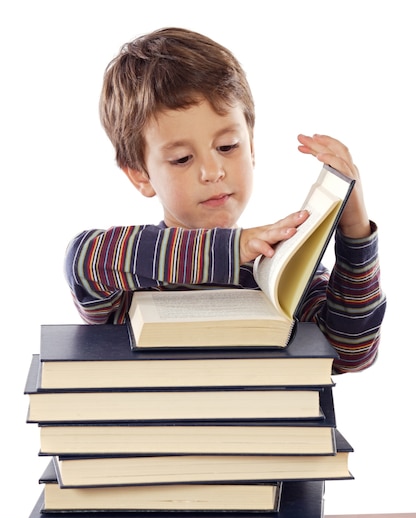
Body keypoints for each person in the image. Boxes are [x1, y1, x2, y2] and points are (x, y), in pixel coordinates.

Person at [64, 27, 386, 374]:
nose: (212, 171)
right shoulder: (129, 270)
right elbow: (85, 258)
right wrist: (235, 248)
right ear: (140, 175)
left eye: (228, 147)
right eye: (182, 159)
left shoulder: (277, 273)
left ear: (251, 148)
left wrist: (354, 231)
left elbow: (350, 353)